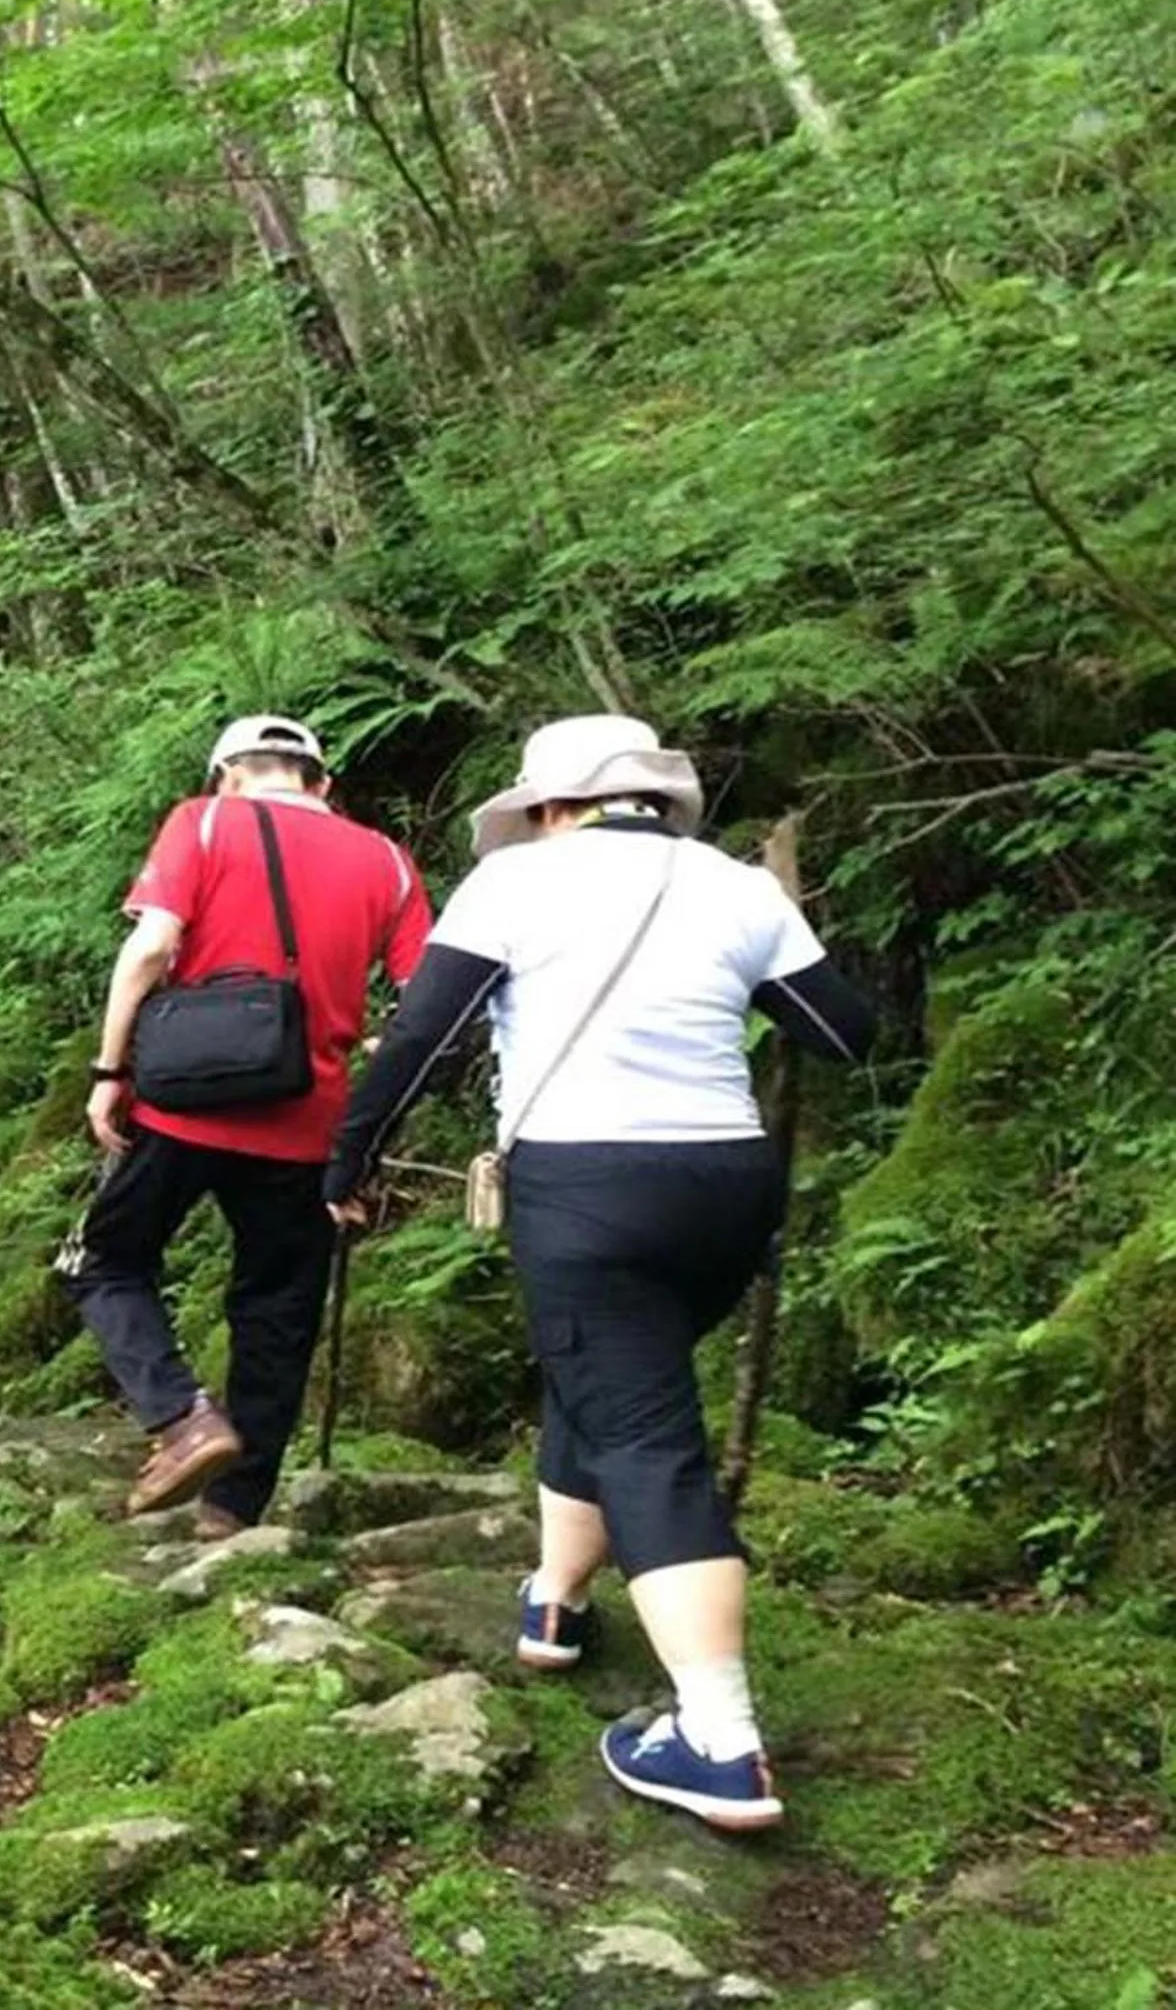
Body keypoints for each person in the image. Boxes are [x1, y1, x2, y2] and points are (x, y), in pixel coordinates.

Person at [323, 714, 874, 1833]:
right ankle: (558, 1601)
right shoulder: (737, 890)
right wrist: (774, 924)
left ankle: (721, 1742)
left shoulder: (517, 886)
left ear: (547, 806)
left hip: (586, 1189)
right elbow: (842, 1032)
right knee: (615, 1384)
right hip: (726, 1189)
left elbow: (424, 1038)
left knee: (642, 1435)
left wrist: (351, 1160)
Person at [64, 713, 432, 1530]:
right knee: (277, 1307)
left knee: (106, 1260)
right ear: (321, 784)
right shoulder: (387, 862)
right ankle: (234, 1507)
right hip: (310, 1120)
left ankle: (183, 1417)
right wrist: (368, 1129)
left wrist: (108, 1069)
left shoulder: (201, 822)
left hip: (182, 1105)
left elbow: (154, 947)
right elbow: (424, 1005)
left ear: (227, 774)